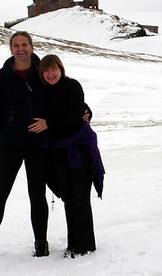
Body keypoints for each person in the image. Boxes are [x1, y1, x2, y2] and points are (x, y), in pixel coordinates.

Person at [0, 31, 50, 262]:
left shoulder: (43, 71)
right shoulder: (3, 76)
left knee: (37, 195)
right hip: (9, 144)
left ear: (32, 46)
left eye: (24, 44)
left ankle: (41, 242)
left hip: (37, 145)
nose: (20, 49)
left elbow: (62, 96)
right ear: (11, 49)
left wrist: (83, 111)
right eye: (16, 45)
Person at [29, 54, 105, 258]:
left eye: (54, 69)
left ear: (61, 69)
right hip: (59, 150)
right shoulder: (45, 92)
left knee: (79, 196)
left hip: (78, 148)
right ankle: (74, 243)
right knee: (69, 197)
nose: (50, 73)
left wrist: (49, 123)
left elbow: (75, 115)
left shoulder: (72, 86)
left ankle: (85, 245)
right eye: (46, 70)